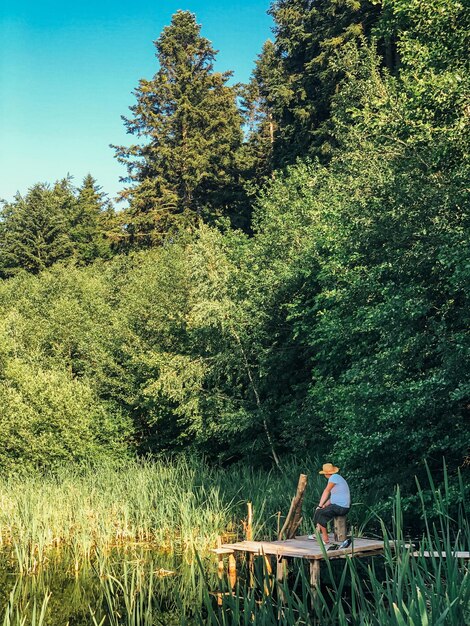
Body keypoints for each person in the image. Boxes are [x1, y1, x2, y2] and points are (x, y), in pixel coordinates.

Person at [310, 462, 350, 543]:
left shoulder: (334, 477)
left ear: (326, 474)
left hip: (341, 507)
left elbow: (326, 491)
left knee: (320, 513)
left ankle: (325, 538)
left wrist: (320, 505)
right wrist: (324, 505)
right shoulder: (337, 478)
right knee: (320, 511)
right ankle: (316, 533)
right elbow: (332, 498)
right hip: (340, 506)